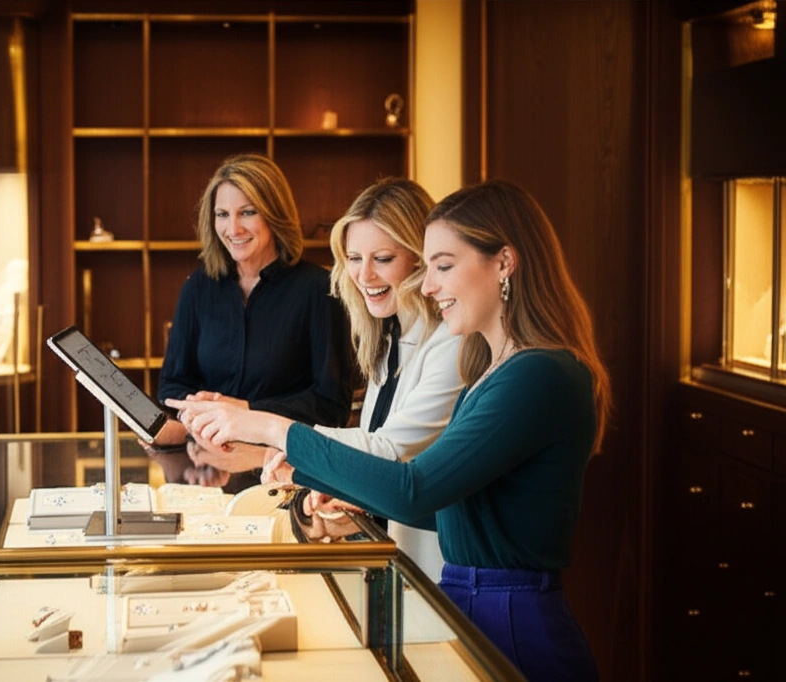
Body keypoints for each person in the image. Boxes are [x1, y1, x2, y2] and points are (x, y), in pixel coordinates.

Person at [170, 179, 611, 682]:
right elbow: (442, 505)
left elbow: (414, 486)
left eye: (443, 266)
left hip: (513, 630)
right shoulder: (496, 370)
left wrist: (271, 427)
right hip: (472, 611)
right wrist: (338, 488)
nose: (426, 285)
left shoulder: (540, 374)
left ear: (504, 263)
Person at [180, 177, 462, 579]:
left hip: (434, 571)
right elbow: (372, 455)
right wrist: (340, 492)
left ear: (421, 259)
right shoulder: (386, 337)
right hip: (392, 560)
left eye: (382, 258)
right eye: (354, 258)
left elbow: (389, 451)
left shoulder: (449, 344)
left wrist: (267, 432)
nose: (364, 275)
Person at [148, 153, 355, 493]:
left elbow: (332, 404)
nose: (234, 229)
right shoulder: (198, 287)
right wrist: (201, 417)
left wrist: (246, 411)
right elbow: (172, 387)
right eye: (222, 215)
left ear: (274, 214)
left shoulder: (320, 290)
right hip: (208, 471)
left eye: (247, 212)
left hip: (289, 475)